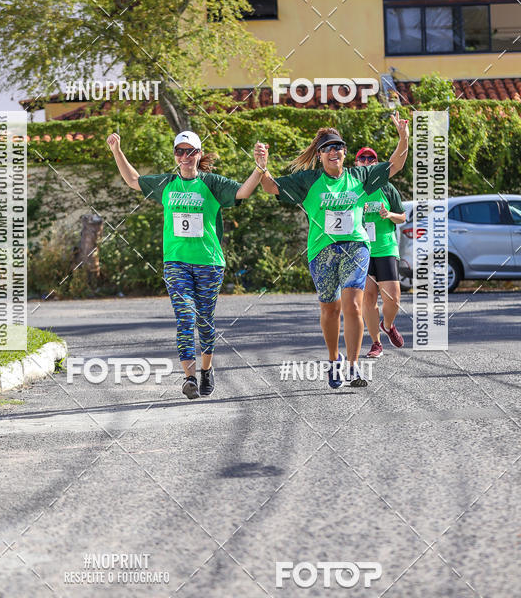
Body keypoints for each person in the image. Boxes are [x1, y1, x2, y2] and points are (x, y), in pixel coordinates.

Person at [107, 129, 268, 400]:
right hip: (175, 263)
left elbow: (242, 192)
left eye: (190, 151)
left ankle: (206, 370)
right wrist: (116, 151)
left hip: (209, 263)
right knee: (185, 317)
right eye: (180, 151)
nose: (185, 156)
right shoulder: (166, 183)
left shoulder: (212, 183)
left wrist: (260, 168)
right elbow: (134, 180)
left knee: (205, 322)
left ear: (199, 154)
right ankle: (189, 378)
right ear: (175, 156)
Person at [259, 113, 409, 388]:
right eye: (328, 148)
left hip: (356, 245)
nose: (334, 151)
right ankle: (334, 360)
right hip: (322, 250)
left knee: (353, 305)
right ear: (319, 155)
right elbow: (270, 187)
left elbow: (396, 164)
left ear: (344, 153)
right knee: (330, 309)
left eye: (338, 147)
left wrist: (403, 136)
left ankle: (353, 366)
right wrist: (262, 167)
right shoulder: (308, 181)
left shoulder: (359, 176)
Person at [355, 147, 406, 358]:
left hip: (385, 247)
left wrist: (389, 214)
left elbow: (402, 217)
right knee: (368, 298)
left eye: (371, 158)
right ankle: (376, 343)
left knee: (393, 299)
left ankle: (388, 324)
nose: (367, 161)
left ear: (376, 163)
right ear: (357, 163)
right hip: (361, 248)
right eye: (362, 158)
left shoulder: (386, 187)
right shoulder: (353, 188)